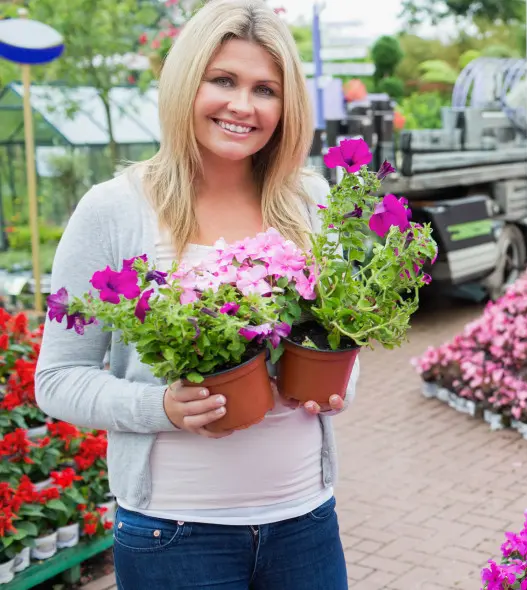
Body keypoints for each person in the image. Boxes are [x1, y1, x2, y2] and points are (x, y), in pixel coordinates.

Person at [34, 1, 358, 588]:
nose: (243, 105)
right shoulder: (116, 208)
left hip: (304, 520)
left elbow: (339, 340)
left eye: (265, 89)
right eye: (223, 80)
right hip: (175, 536)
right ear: (187, 82)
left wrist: (336, 387)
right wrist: (162, 408)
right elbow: (57, 379)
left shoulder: (309, 200)